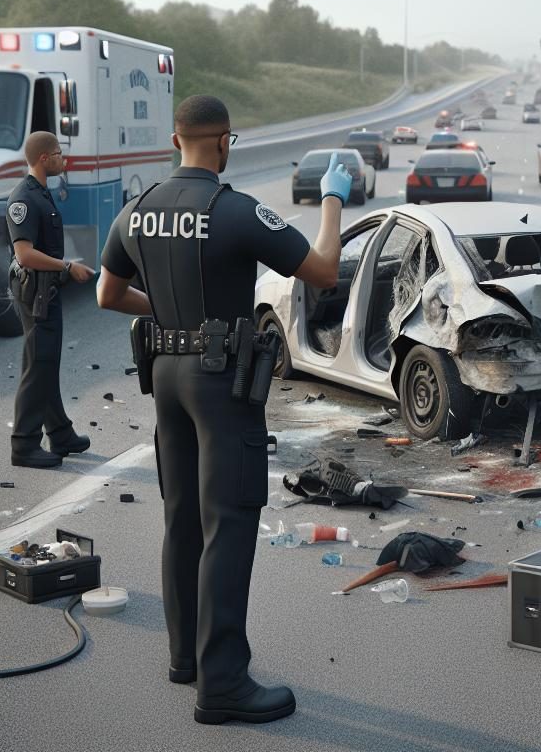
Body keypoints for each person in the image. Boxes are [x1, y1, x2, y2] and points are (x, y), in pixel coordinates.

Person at [96, 96, 351, 724]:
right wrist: (332, 200)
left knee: (182, 518)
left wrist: (170, 317)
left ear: (175, 138)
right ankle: (224, 685)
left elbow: (107, 293)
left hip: (167, 377)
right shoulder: (235, 211)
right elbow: (321, 270)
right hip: (221, 385)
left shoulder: (139, 209)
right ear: (223, 143)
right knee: (229, 524)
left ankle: (185, 658)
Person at [6, 131, 94, 468]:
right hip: (36, 291)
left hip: (45, 289)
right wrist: (67, 266)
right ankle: (24, 444)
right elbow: (25, 254)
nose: (63, 159)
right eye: (58, 153)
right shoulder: (24, 198)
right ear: (44, 158)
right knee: (38, 365)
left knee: (45, 363)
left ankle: (59, 433)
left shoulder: (41, 192)